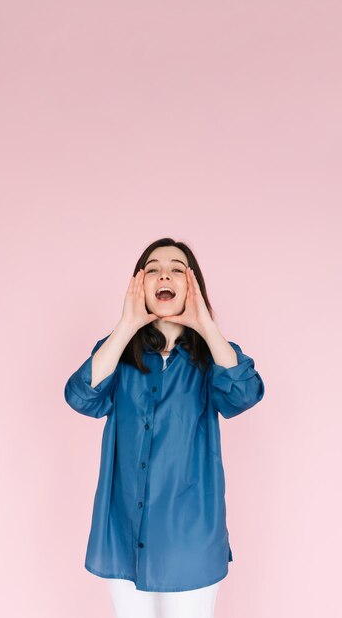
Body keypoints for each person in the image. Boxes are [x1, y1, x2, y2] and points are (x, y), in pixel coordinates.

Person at [64, 237, 265, 618]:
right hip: (123, 535)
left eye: (177, 268)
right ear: (139, 285)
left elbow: (244, 395)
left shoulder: (213, 357)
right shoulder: (117, 352)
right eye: (152, 268)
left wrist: (205, 324)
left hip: (191, 538)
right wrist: (127, 325)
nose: (164, 275)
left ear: (192, 284)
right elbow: (80, 397)